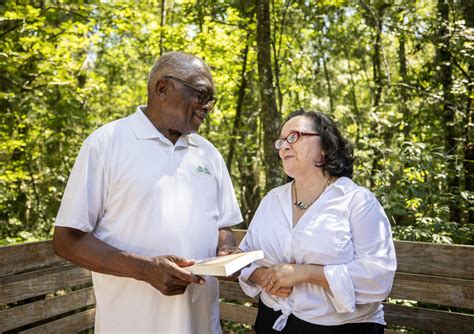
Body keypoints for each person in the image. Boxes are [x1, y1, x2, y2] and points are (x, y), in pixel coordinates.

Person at [53, 51, 243, 333]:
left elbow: (223, 225)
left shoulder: (208, 154)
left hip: (201, 323)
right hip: (131, 323)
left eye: (212, 100)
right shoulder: (106, 144)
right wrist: (145, 269)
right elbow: (66, 240)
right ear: (162, 88)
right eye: (202, 95)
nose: (208, 107)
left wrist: (226, 247)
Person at [239, 109, 397, 333]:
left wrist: (304, 273)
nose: (283, 146)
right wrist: (262, 275)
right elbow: (246, 257)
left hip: (341, 327)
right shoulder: (272, 199)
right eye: (281, 141)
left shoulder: (357, 201)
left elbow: (378, 278)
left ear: (325, 147)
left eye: (294, 136)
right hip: (272, 319)